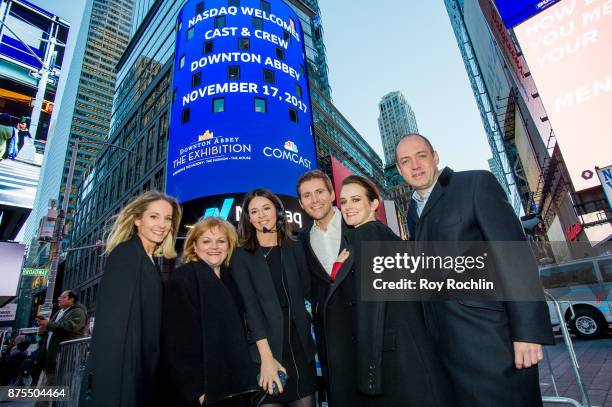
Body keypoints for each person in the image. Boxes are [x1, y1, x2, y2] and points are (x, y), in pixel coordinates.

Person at [396, 133, 554, 407]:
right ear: (399, 170)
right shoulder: (413, 212)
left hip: (492, 343)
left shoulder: (474, 184)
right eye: (405, 161)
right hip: (446, 351)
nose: (415, 165)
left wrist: (528, 331)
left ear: (435, 157)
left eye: (421, 155)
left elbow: (513, 255)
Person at [334, 175, 455, 407]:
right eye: (344, 201)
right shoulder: (385, 236)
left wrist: (368, 374)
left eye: (355, 199)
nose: (347, 207)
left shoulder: (365, 236)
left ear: (374, 204)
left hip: (390, 359)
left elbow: (370, 306)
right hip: (411, 353)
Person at [79, 190, 182, 407]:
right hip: (121, 380)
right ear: (137, 220)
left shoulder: (149, 260)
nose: (162, 224)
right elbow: (113, 327)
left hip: (139, 373)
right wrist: (112, 390)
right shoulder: (127, 254)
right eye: (154, 216)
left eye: (168, 219)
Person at [160, 217, 258, 406]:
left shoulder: (232, 279)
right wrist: (198, 391)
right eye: (206, 241)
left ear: (229, 246)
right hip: (205, 391)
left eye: (221, 241)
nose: (214, 246)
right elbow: (176, 342)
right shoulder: (184, 278)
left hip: (233, 385)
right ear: (194, 247)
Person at [231, 188, 317, 407]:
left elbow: (310, 290)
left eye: (266, 208)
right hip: (266, 351)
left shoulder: (296, 247)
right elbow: (250, 309)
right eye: (254, 211)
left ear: (278, 211)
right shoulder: (241, 255)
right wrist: (266, 359)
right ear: (248, 219)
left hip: (301, 349)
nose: (261, 215)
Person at [295, 170, 352, 406]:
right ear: (300, 203)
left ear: (332, 194)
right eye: (307, 195)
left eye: (319, 192)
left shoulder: (357, 224)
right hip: (329, 337)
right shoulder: (301, 239)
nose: (314, 199)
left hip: (368, 329)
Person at [36, 290, 88, 387]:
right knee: (47, 391)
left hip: (64, 357)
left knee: (56, 388)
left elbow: (68, 328)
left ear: (71, 299)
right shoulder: (60, 312)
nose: (59, 299)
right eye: (60, 297)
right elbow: (52, 331)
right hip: (51, 357)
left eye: (63, 297)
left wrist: (48, 324)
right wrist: (43, 330)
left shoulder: (78, 312)